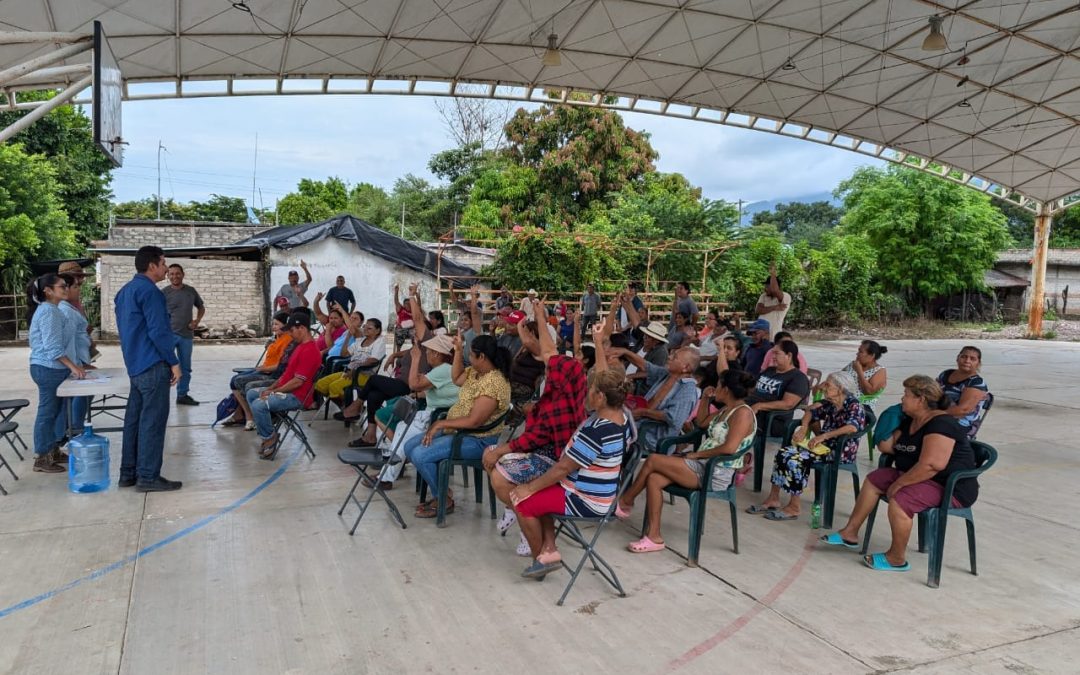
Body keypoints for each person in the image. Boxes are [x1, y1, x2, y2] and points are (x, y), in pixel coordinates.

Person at [821, 376, 980, 572]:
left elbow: (931, 465)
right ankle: (850, 533)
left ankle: (896, 558)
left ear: (920, 400)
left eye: (906, 395)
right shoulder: (912, 421)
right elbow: (889, 446)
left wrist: (899, 484)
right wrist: (887, 423)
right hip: (919, 476)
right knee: (875, 479)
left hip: (949, 486)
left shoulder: (941, 424)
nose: (902, 399)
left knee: (901, 499)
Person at [508, 342, 633, 578]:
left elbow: (563, 468)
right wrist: (598, 343)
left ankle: (541, 560)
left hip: (587, 498)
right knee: (539, 489)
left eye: (590, 390)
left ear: (600, 396)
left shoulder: (597, 429)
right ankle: (549, 548)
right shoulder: (621, 418)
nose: (586, 393)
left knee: (521, 501)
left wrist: (528, 488)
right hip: (596, 491)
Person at [616, 369, 757, 552]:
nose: (716, 388)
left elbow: (729, 448)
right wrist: (705, 398)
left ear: (727, 390)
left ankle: (626, 501)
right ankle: (654, 538)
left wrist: (696, 455)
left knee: (653, 460)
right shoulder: (727, 410)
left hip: (716, 472)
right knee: (654, 479)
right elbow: (702, 422)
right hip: (701, 466)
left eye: (719, 385)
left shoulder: (743, 414)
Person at [486, 301, 588, 555]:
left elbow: (536, 437)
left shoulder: (560, 403)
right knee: (492, 454)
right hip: (545, 449)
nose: (550, 367)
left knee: (498, 473)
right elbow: (549, 351)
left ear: (558, 377)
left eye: (553, 370)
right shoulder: (566, 385)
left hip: (554, 457)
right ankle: (520, 512)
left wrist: (503, 450)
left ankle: (532, 538)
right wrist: (540, 316)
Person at [404, 334, 512, 519]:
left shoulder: (494, 383)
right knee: (409, 446)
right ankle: (443, 492)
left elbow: (474, 421)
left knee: (420, 454)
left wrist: (440, 423)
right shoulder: (476, 373)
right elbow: (456, 379)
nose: (468, 358)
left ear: (482, 357)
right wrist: (458, 351)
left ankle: (443, 499)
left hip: (477, 440)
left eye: (470, 355)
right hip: (459, 432)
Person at [750, 371, 865, 521]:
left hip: (838, 451)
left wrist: (823, 436)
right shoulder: (832, 403)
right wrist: (804, 427)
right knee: (783, 453)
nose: (824, 388)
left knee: (796, 459)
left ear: (840, 388)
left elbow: (852, 427)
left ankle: (794, 507)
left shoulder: (853, 405)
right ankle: (773, 498)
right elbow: (811, 411)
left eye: (828, 385)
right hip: (822, 447)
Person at [115, 246, 183, 491]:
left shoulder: (124, 292)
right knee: (152, 422)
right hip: (153, 365)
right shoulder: (150, 292)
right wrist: (174, 362)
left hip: (135, 365)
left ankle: (128, 473)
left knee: (134, 421)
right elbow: (158, 331)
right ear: (152, 266)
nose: (166, 268)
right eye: (164, 263)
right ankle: (148, 476)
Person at [373, 333, 462, 488]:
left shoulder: (444, 369)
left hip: (437, 417)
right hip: (437, 414)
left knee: (403, 432)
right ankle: (390, 471)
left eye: (428, 351)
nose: (426, 354)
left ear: (437, 353)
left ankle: (387, 477)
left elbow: (413, 385)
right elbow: (422, 388)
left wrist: (415, 359)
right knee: (401, 428)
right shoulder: (445, 369)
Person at [27, 274, 86, 473]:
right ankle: (42, 456)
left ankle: (53, 449)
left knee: (58, 412)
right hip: (47, 368)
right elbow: (53, 348)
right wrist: (73, 366)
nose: (66, 288)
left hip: (54, 369)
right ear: (48, 291)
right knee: (48, 412)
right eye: (61, 286)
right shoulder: (48, 312)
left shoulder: (55, 310)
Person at [247, 311, 321, 459]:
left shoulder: (310, 351)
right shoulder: (299, 346)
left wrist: (274, 392)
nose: (291, 335)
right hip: (286, 391)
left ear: (302, 328)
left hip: (296, 397)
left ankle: (269, 437)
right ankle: (268, 429)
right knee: (251, 393)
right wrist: (271, 388)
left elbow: (297, 381)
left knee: (258, 405)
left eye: (292, 330)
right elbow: (286, 375)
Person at [610, 345, 700, 452]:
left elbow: (674, 418)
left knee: (609, 433)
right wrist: (625, 352)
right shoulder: (667, 374)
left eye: (675, 357)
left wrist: (644, 412)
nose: (669, 357)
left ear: (686, 368)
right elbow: (646, 366)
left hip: (652, 439)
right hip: (638, 425)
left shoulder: (687, 390)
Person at [223, 311, 294, 429]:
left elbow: (280, 366)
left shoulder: (287, 340)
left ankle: (249, 416)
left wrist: (262, 368)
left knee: (241, 382)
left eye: (276, 324)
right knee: (235, 380)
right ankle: (244, 414)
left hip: (272, 372)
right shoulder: (278, 337)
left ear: (285, 325)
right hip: (265, 369)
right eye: (273, 324)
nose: (273, 327)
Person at [54, 273, 93, 445]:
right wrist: (77, 365)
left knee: (84, 394)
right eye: (76, 286)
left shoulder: (72, 308)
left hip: (80, 359)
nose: (79, 289)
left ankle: (73, 427)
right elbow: (69, 342)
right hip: (75, 362)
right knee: (79, 395)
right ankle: (74, 429)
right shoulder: (65, 311)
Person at [314, 317, 385, 404]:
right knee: (320, 384)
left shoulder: (379, 342)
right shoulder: (360, 341)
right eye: (365, 327)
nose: (365, 330)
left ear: (377, 330)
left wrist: (355, 370)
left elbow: (372, 360)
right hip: (349, 371)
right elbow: (344, 354)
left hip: (364, 375)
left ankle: (349, 407)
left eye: (369, 328)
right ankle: (345, 404)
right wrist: (348, 336)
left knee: (334, 387)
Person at [162, 264, 205, 406]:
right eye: (171, 274)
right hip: (169, 336)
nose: (175, 276)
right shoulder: (163, 293)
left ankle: (182, 395)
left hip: (186, 335)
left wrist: (196, 321)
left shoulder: (190, 291)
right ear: (168, 276)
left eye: (177, 273)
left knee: (185, 367)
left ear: (183, 274)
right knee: (164, 366)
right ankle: (160, 396)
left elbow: (201, 307)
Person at [936, 346, 990, 439]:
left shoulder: (976, 383)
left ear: (978, 363)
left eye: (972, 359)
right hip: (939, 417)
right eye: (964, 357)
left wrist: (932, 414)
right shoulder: (946, 374)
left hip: (961, 425)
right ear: (958, 358)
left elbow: (962, 411)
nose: (967, 361)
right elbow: (931, 393)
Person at [842, 340, 888, 409]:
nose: (857, 354)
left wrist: (859, 371)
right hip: (842, 401)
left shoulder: (879, 371)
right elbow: (838, 377)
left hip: (862, 408)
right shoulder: (853, 364)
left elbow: (868, 392)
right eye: (858, 351)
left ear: (872, 355)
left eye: (861, 352)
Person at [756, 264, 791, 340]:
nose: (765, 288)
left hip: (773, 335)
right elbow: (758, 310)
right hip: (760, 334)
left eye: (767, 286)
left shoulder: (786, 296)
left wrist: (773, 274)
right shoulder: (763, 296)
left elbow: (774, 290)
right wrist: (775, 307)